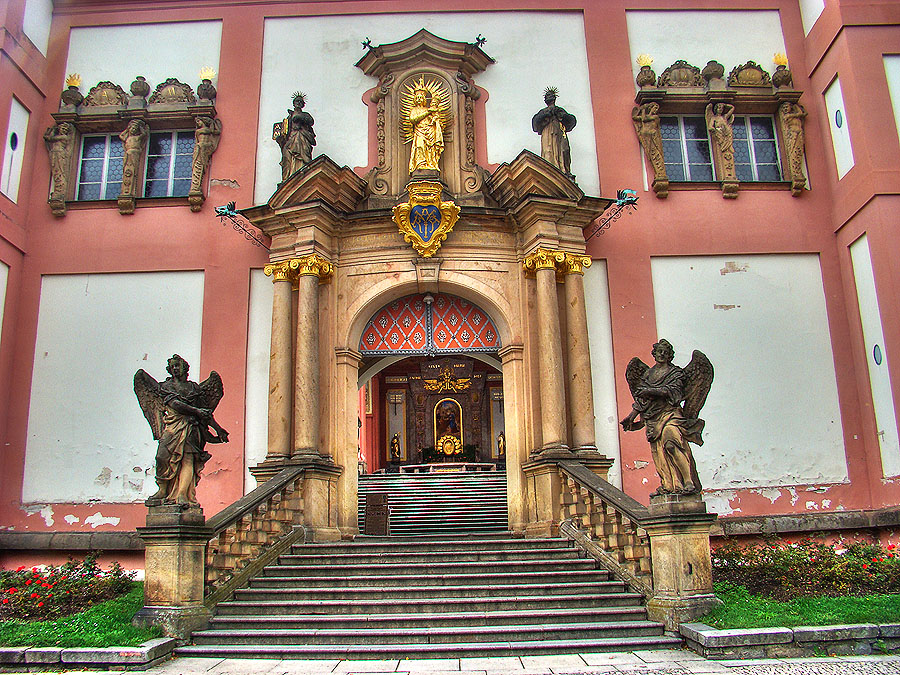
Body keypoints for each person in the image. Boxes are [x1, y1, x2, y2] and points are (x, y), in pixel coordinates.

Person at [135, 355, 228, 506]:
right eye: (172, 367)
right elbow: (175, 404)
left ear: (185, 367)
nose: (175, 369)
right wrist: (197, 411)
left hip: (191, 427)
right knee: (161, 457)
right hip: (173, 427)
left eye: (177, 366)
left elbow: (205, 413)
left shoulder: (194, 388)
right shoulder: (166, 387)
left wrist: (218, 429)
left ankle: (183, 494)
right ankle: (163, 489)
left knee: (188, 461)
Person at [621, 340, 705, 495]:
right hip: (653, 418)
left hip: (670, 414)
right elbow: (642, 400)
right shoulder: (648, 374)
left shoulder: (676, 373)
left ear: (670, 355)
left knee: (672, 444)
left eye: (665, 352)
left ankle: (688, 482)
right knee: (659, 454)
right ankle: (669, 485)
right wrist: (631, 417)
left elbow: (674, 393)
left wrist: (651, 391)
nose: (662, 354)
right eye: (659, 351)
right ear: (654, 353)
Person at [531, 87, 577, 177]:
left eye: (550, 96)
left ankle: (564, 170)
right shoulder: (543, 112)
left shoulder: (559, 110)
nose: (547, 98)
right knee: (548, 151)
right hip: (547, 133)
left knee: (564, 150)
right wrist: (546, 114)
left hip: (560, 132)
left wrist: (561, 115)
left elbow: (571, 121)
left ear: (554, 97)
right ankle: (549, 170)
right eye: (546, 96)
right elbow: (535, 124)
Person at [273, 92, 316, 181]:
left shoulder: (305, 115)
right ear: (294, 103)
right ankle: (286, 179)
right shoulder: (288, 117)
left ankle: (303, 174)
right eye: (297, 101)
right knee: (286, 158)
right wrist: (280, 138)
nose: (298, 103)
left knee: (303, 156)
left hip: (301, 137)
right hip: (290, 140)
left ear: (303, 105)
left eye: (300, 102)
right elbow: (285, 131)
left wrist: (300, 117)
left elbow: (311, 121)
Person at [407, 85, 445, 173]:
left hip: (430, 132)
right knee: (420, 147)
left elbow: (435, 121)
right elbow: (413, 119)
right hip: (419, 132)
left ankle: (431, 164)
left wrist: (436, 120)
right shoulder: (415, 110)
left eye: (421, 97)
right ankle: (420, 164)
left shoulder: (429, 109)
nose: (419, 99)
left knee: (431, 149)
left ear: (424, 99)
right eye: (417, 97)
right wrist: (428, 112)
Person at [190, 116, 223, 195]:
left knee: (202, 165)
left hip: (205, 148)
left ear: (203, 121)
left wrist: (214, 124)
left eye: (199, 121)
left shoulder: (209, 130)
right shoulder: (199, 131)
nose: (198, 123)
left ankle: (197, 186)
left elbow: (217, 132)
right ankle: (195, 186)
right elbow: (197, 140)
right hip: (200, 148)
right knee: (197, 165)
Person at [43, 123, 75, 201]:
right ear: (59, 129)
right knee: (56, 170)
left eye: (65, 130)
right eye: (62, 129)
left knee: (60, 171)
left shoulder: (64, 137)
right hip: (55, 153)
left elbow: (50, 138)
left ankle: (60, 190)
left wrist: (53, 130)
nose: (64, 131)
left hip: (59, 153)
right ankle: (59, 189)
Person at [705, 102, 736, 181]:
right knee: (724, 148)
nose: (720, 110)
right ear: (716, 109)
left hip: (727, 133)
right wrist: (716, 130)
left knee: (728, 148)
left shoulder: (724, 117)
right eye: (719, 108)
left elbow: (732, 108)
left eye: (722, 108)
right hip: (719, 134)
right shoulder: (714, 118)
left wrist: (725, 105)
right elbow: (710, 127)